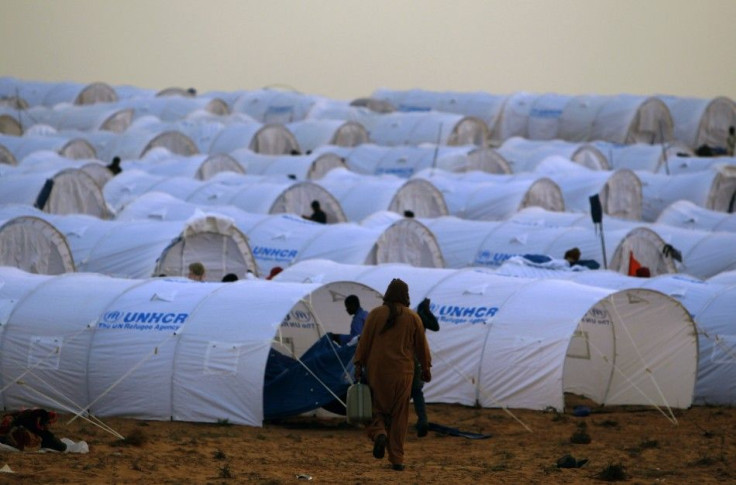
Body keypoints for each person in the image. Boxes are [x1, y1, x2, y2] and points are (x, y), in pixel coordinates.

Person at [353, 278, 431, 472]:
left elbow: (364, 342)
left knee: (375, 409)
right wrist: (427, 369)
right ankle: (397, 458)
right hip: (403, 373)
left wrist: (358, 365)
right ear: (406, 296)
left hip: (377, 370)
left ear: (387, 294)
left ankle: (379, 433)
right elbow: (422, 347)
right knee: (399, 414)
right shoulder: (413, 318)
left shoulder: (375, 314)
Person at [412, 297, 439, 438]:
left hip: (403, 359)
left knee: (401, 392)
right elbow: (435, 326)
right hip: (416, 359)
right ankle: (422, 420)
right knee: (417, 392)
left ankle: (394, 422)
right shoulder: (419, 318)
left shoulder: (412, 317)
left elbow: (435, 326)